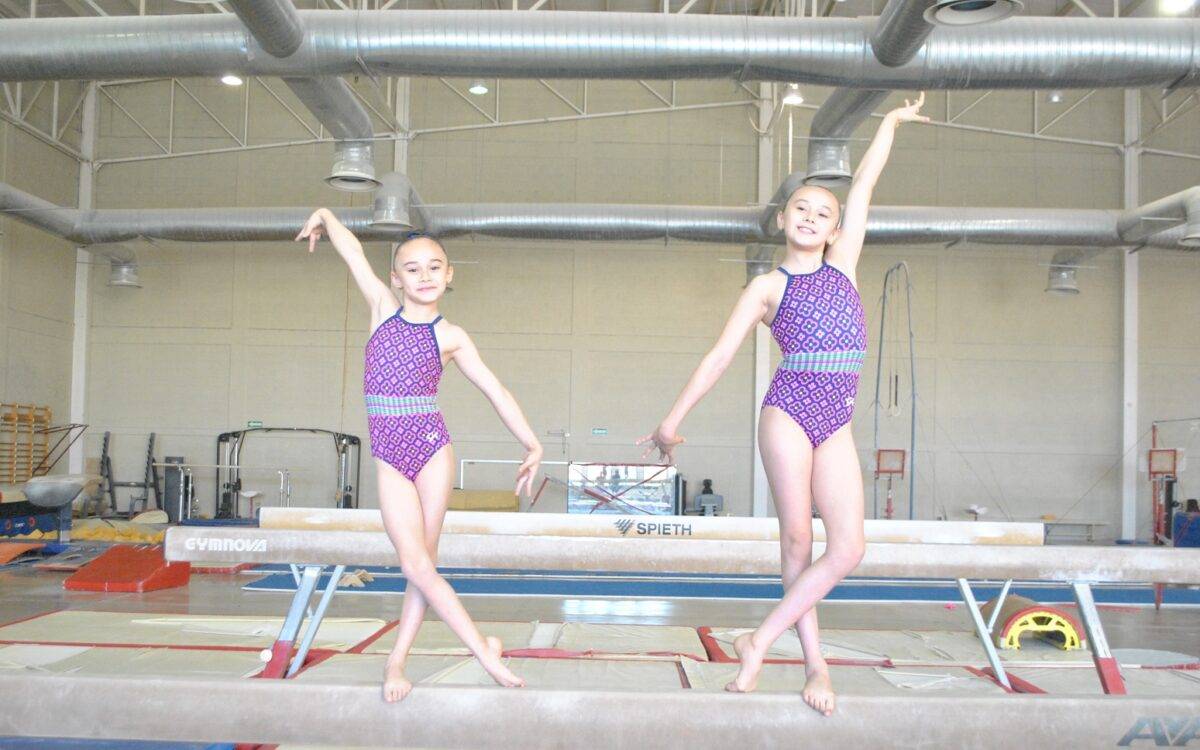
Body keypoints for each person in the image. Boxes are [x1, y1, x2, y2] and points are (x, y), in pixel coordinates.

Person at [639, 94, 929, 716]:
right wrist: (672, 419)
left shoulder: (846, 266)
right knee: (797, 540)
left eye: (824, 212)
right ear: (783, 220)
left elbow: (867, 184)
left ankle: (758, 639)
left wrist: (890, 123)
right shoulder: (767, 286)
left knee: (847, 547)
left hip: (837, 419)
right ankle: (815, 664)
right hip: (790, 409)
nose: (812, 216)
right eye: (801, 206)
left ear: (834, 229)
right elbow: (719, 355)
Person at [297, 212, 542, 702]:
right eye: (413, 268)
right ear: (396, 277)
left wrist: (531, 442)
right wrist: (326, 216)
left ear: (449, 275)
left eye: (435, 267)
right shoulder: (382, 309)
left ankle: (398, 659)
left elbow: (496, 390)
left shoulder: (452, 336)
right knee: (416, 566)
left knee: (422, 565)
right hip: (390, 453)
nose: (424, 276)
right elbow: (351, 253)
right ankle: (482, 650)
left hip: (431, 448)